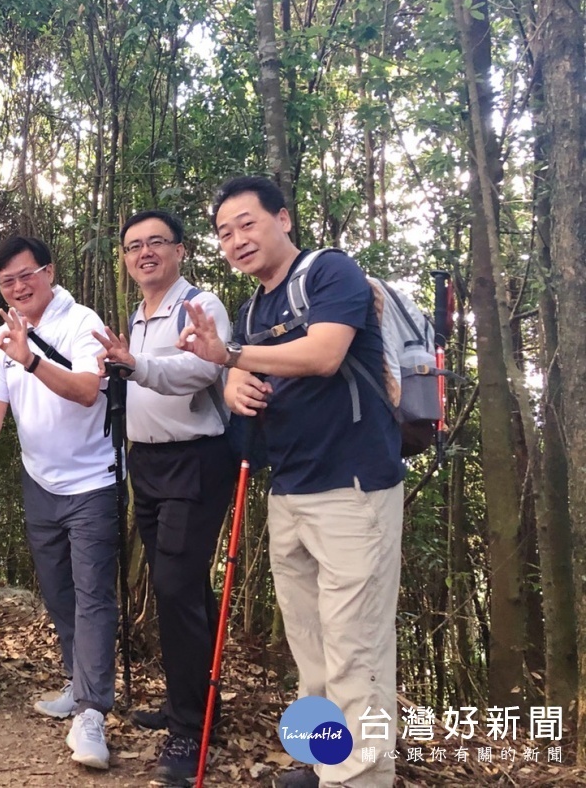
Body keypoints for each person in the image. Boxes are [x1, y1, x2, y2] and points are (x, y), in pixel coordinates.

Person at [176, 176, 405, 788]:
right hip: (290, 489)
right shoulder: (253, 309)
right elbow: (247, 377)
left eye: (247, 224)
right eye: (224, 233)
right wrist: (229, 381)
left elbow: (324, 354)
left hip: (355, 488)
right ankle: (324, 758)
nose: (236, 240)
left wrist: (229, 358)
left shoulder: (331, 273)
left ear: (283, 219)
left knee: (357, 648)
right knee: (311, 647)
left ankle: (359, 777)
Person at [0, 236, 117, 770]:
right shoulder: (5, 335)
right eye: (7, 281)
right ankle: (78, 682)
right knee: (59, 592)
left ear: (48, 272)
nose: (19, 286)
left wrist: (30, 360)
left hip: (93, 481)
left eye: (27, 275)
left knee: (93, 594)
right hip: (39, 481)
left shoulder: (83, 322)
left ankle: (93, 713)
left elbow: (87, 390)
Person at [94, 210, 238, 785]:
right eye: (133, 246)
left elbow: (200, 371)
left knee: (176, 587)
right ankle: (199, 705)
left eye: (157, 243)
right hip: (147, 464)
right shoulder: (138, 314)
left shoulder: (200, 306)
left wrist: (136, 363)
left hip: (195, 460)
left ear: (180, 251)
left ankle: (189, 729)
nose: (144, 253)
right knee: (179, 584)